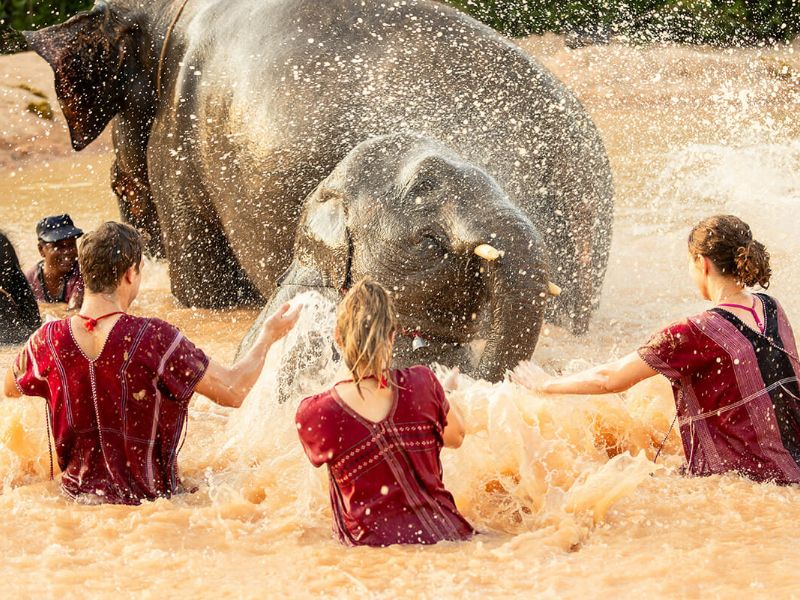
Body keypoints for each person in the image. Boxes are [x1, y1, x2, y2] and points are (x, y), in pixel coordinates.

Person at [3, 222, 300, 505]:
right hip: (153, 503)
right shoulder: (155, 337)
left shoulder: (47, 340)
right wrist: (267, 336)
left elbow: (10, 389)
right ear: (130, 273)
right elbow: (235, 389)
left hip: (74, 500)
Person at [514, 215, 800, 484]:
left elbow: (609, 379)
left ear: (702, 263)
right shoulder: (772, 306)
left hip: (750, 479)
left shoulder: (693, 332)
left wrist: (546, 384)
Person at [295, 279, 474, 546]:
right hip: (450, 536)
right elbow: (456, 437)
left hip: (374, 555)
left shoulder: (315, 412)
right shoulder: (423, 382)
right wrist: (444, 395)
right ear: (392, 336)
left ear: (338, 337)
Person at [25, 214, 85, 310]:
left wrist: (41, 306)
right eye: (59, 246)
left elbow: (73, 311)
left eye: (71, 245)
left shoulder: (83, 275)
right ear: (41, 250)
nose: (67, 252)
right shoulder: (29, 280)